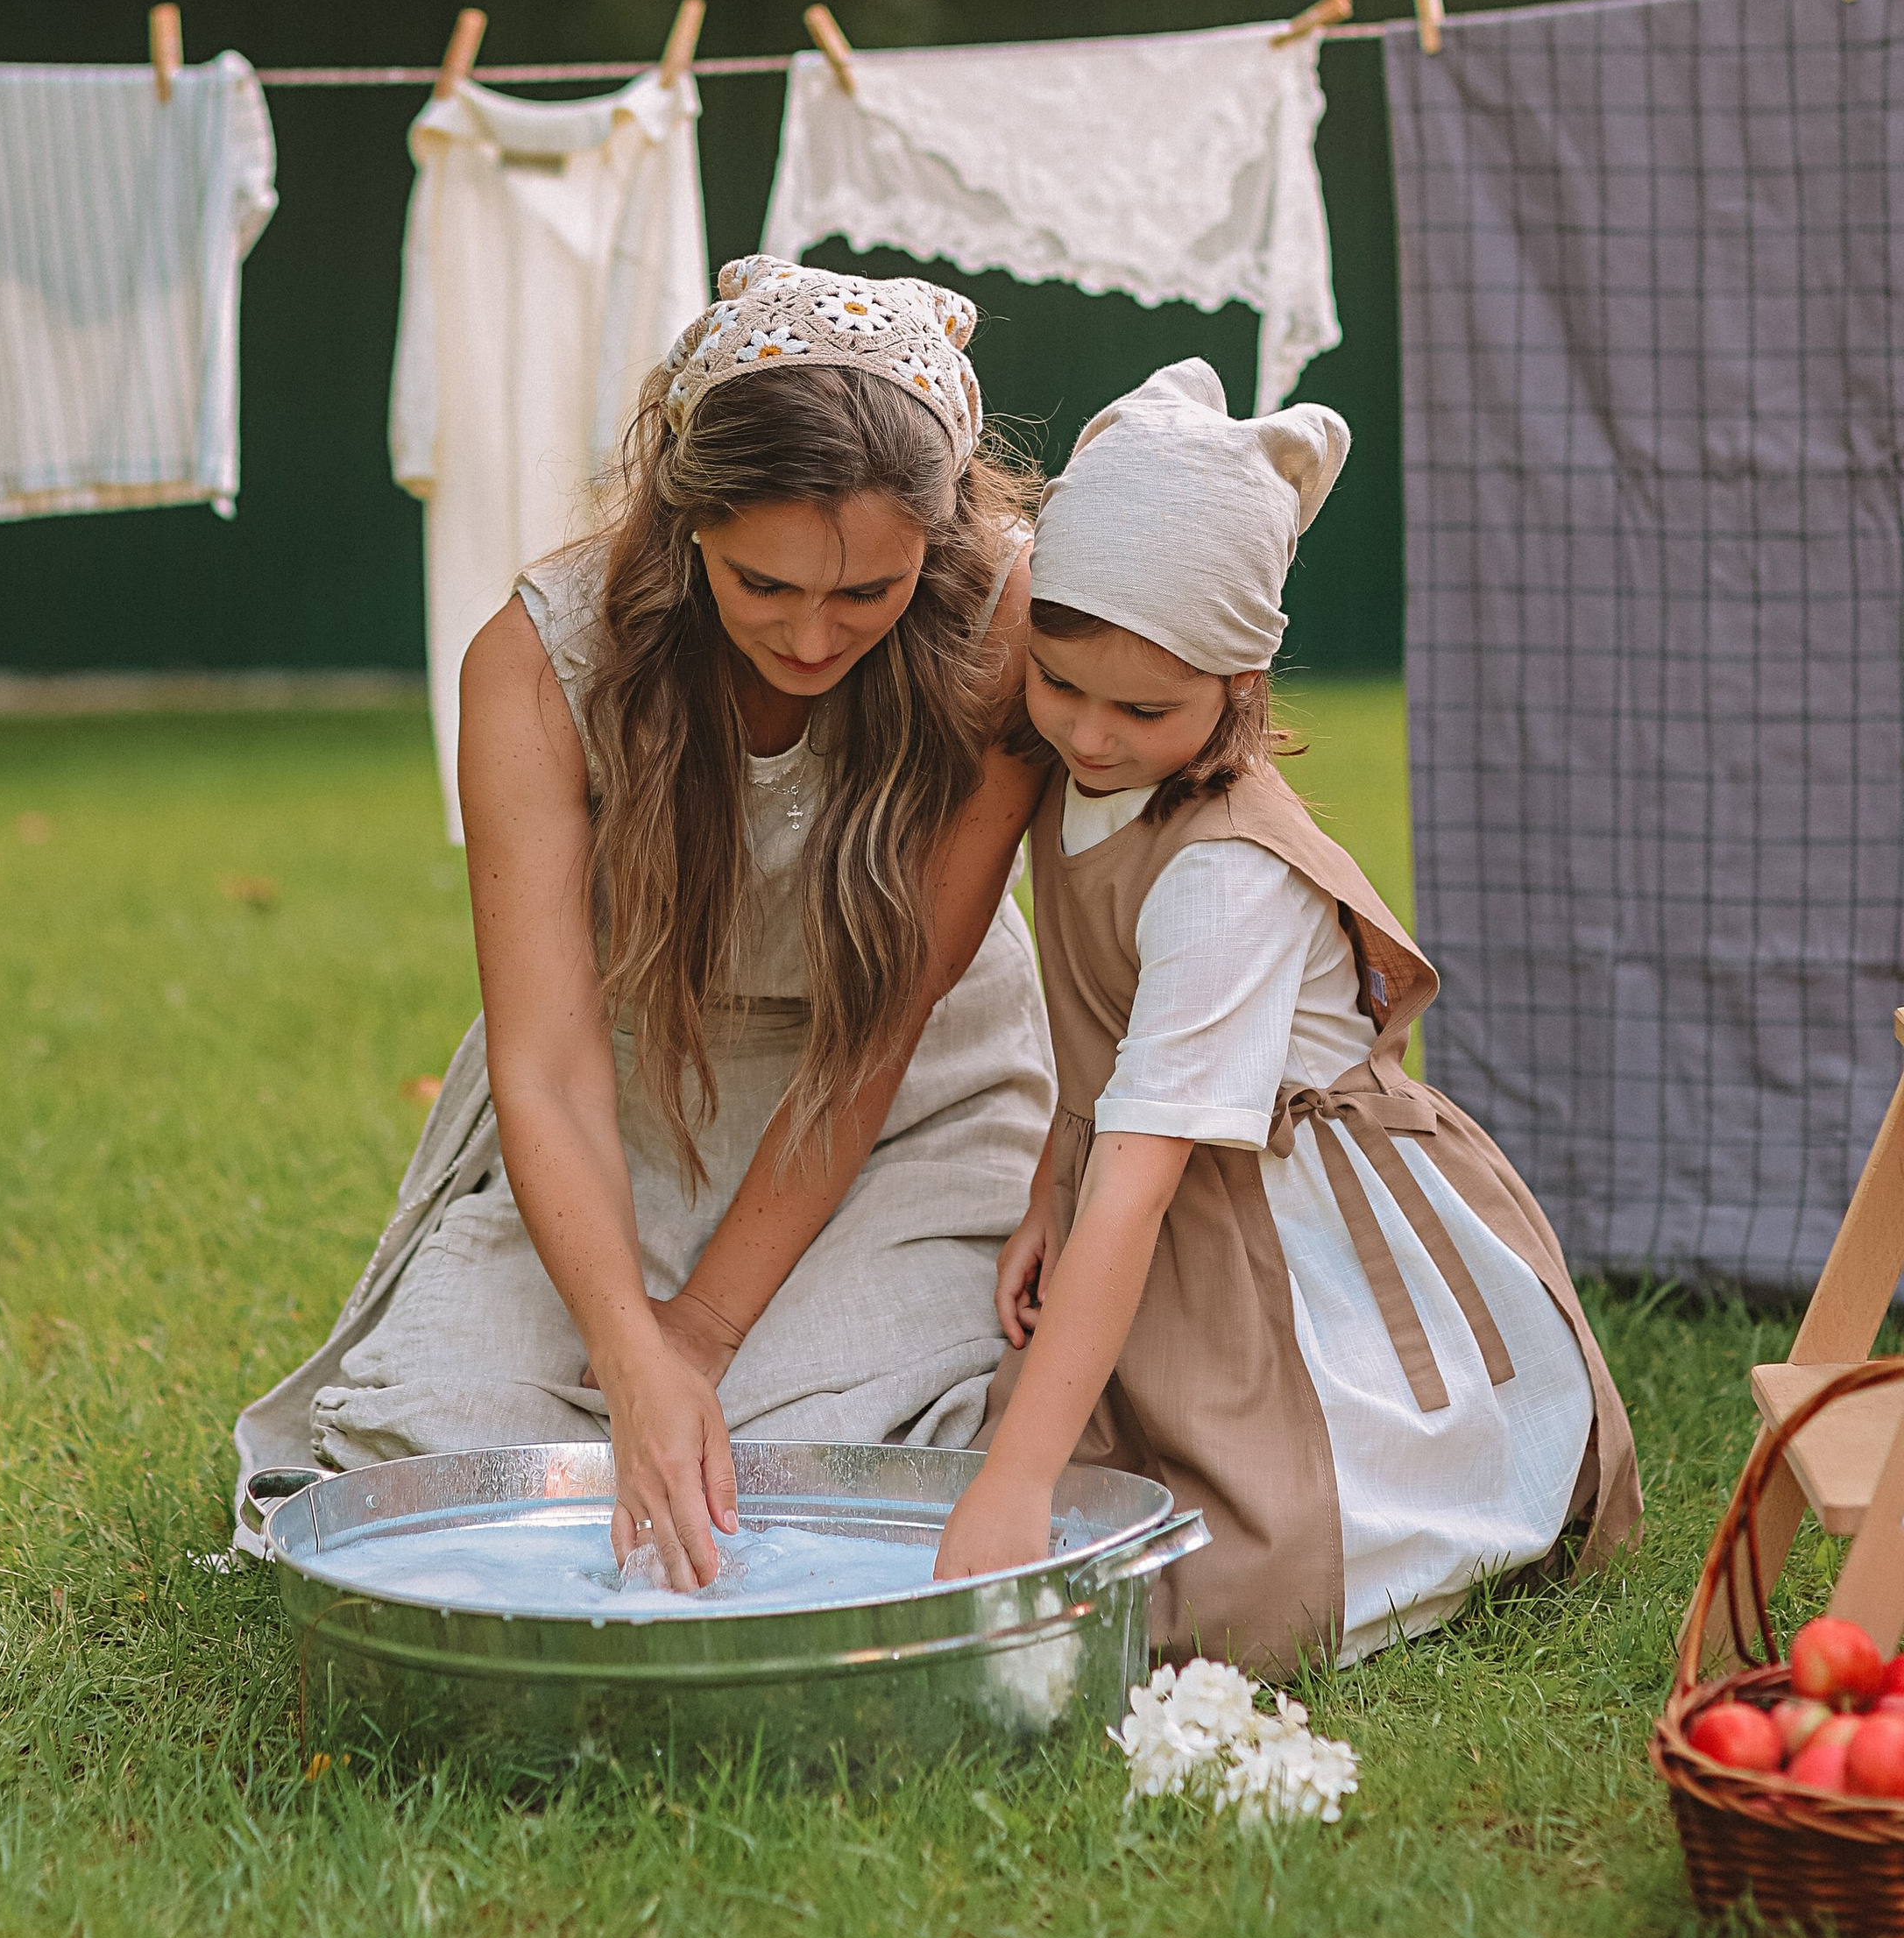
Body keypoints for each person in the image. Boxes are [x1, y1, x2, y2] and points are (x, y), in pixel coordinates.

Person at [235, 256, 1055, 1588]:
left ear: (941, 538)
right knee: (443, 1448)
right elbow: (549, 1067)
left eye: (866, 593)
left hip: (911, 1102)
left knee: (810, 1456)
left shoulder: (1003, 624)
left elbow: (886, 1023)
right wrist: (628, 1343)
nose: (810, 637)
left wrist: (705, 1336)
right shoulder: (539, 664)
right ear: (685, 525)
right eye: (764, 585)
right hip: (629, 1097)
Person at [931, 358, 1639, 1671]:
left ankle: (1445, 1503)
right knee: (1019, 1486)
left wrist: (1018, 1482)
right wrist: (1049, 1185)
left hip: (1288, 1232)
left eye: (1144, 710)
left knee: (1227, 1591)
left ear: (1239, 684)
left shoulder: (1222, 880)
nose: (1088, 736)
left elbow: (1144, 1190)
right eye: (1060, 686)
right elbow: (1107, 1052)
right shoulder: (1082, 771)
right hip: (1149, 1185)